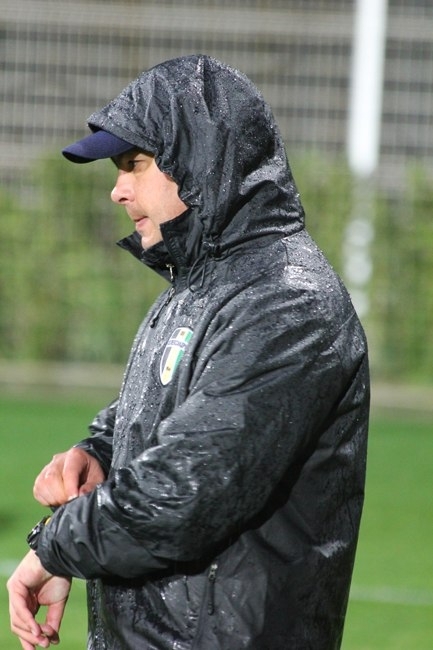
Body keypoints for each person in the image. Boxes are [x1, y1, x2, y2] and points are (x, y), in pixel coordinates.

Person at [7, 54, 369, 650]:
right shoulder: (202, 286)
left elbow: (184, 492)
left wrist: (54, 547)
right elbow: (169, 415)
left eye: (135, 164)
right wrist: (98, 453)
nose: (118, 190)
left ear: (201, 162)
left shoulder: (286, 305)